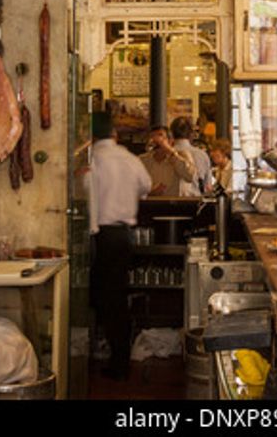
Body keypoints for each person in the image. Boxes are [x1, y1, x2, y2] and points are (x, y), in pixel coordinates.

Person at [82, 111, 151, 380]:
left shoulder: (92, 161)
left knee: (105, 300)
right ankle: (117, 356)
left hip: (100, 237)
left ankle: (115, 360)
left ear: (91, 135)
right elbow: (145, 187)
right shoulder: (131, 159)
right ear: (114, 134)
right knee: (115, 297)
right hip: (123, 236)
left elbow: (83, 191)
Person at [140, 124, 197, 196]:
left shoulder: (182, 155)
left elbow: (190, 176)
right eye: (152, 136)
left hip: (175, 205)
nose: (156, 139)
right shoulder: (143, 160)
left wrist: (170, 152)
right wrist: (149, 192)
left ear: (170, 141)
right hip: (149, 204)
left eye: (160, 135)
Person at [171, 116, 212, 195]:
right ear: (191, 134)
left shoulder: (165, 154)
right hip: (196, 202)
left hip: (165, 203)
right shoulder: (202, 155)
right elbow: (208, 186)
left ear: (171, 134)